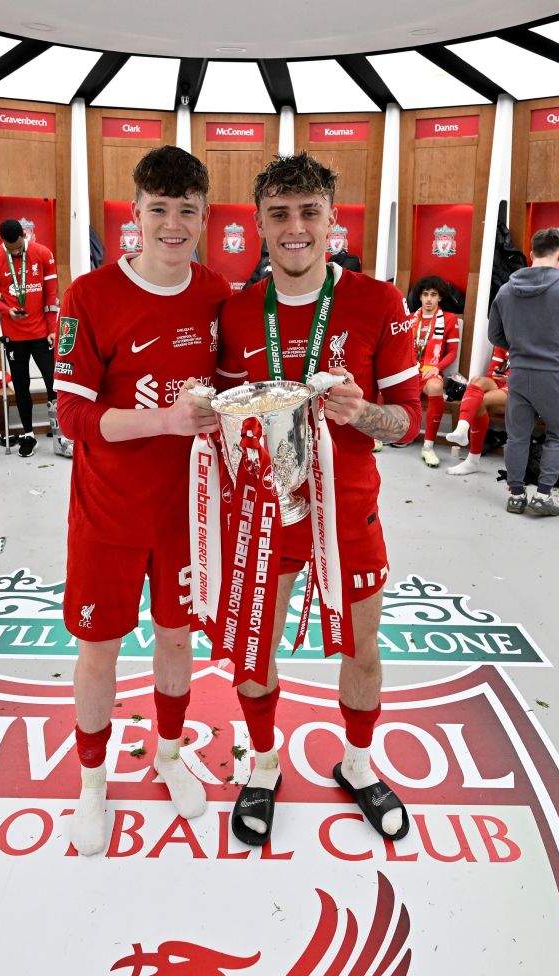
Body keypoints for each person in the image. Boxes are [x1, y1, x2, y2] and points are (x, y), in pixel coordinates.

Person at [216, 152, 421, 845]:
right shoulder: (238, 313)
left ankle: (358, 763)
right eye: (280, 214)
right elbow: (219, 413)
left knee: (363, 650)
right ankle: (265, 762)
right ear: (260, 225)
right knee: (256, 653)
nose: (295, 227)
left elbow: (409, 420)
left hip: (347, 508)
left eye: (310, 212)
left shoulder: (378, 301)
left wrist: (363, 413)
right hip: (261, 514)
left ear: (332, 220)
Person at [54, 147, 232, 856]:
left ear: (204, 216)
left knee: (176, 638)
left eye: (187, 209)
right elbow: (70, 418)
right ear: (135, 214)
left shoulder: (217, 292)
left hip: (187, 512)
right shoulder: (89, 295)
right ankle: (92, 782)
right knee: (98, 650)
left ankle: (166, 753)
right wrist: (161, 419)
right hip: (109, 510)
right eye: (159, 208)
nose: (173, 223)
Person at [488, 227, 559, 516]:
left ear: (531, 253)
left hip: (519, 374)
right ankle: (543, 496)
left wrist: (523, 344)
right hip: (556, 375)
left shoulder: (506, 289)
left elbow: (495, 336)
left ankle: (516, 495)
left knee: (517, 436)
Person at [0, 218, 60, 458]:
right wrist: (7, 311)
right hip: (14, 334)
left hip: (41, 333)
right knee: (21, 385)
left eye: (19, 247)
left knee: (53, 382)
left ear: (24, 237)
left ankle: (62, 432)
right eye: (11, 248)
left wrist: (52, 329)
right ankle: (28, 434)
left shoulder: (42, 253)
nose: (16, 251)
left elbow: (51, 295)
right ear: (2, 241)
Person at [408, 275, 460, 468]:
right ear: (420, 297)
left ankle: (428, 446)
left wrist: (436, 368)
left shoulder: (449, 319)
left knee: (436, 387)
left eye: (433, 295)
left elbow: (452, 352)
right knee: (383, 381)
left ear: (440, 298)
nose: (429, 299)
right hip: (410, 370)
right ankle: (381, 436)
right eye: (425, 295)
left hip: (431, 370)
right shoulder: (410, 318)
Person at [445, 345, 509, 476]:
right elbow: (492, 371)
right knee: (476, 381)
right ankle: (462, 429)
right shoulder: (505, 337)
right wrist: (497, 375)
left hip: (522, 387)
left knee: (479, 401)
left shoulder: (536, 336)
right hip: (503, 384)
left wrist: (508, 379)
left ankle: (472, 461)